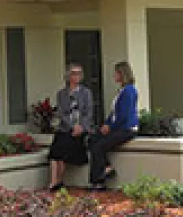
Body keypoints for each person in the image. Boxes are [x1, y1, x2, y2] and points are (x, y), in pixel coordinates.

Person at [89, 61, 138, 190]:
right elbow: (114, 113)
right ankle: (106, 168)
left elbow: (123, 116)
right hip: (117, 127)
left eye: (116, 73)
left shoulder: (129, 91)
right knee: (93, 139)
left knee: (99, 147)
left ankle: (97, 182)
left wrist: (110, 128)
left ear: (122, 74)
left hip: (126, 129)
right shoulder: (121, 91)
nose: (114, 75)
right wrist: (106, 124)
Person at [47, 63, 93, 192]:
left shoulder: (86, 93)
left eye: (79, 73)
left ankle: (59, 180)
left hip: (81, 130)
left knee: (65, 148)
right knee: (56, 150)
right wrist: (72, 126)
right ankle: (54, 181)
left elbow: (88, 113)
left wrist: (81, 127)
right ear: (68, 76)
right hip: (66, 128)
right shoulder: (62, 94)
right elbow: (62, 113)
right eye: (74, 73)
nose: (76, 76)